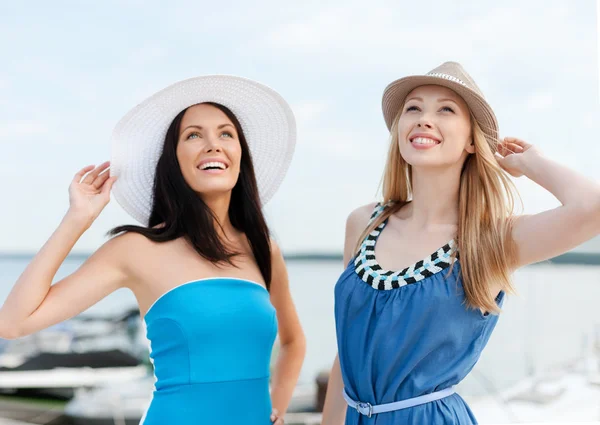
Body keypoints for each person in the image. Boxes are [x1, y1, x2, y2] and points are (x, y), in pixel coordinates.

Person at [0, 75, 306, 425]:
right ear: (173, 161)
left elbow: (293, 343)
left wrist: (276, 411)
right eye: (193, 135)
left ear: (240, 155)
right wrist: (77, 220)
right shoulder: (137, 249)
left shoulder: (263, 249)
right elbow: (12, 323)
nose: (213, 145)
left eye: (226, 133)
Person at [321, 61, 600, 424]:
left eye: (446, 109)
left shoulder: (490, 240)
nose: (424, 118)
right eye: (414, 108)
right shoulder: (363, 222)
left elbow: (591, 209)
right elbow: (348, 352)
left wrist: (531, 162)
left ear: (472, 140)